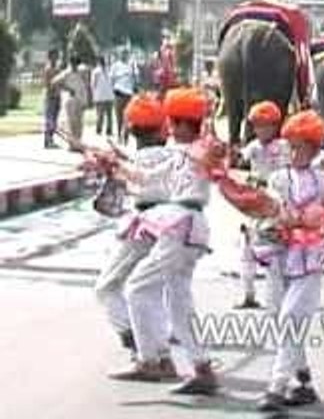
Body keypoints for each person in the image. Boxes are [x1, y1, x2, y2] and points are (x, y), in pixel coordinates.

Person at [115, 87, 219, 395]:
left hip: (181, 225)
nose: (169, 128)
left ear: (186, 125)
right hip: (187, 227)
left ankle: (150, 360)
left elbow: (211, 156)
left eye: (173, 122)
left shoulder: (200, 149)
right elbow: (145, 178)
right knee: (178, 301)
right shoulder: (181, 152)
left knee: (136, 287)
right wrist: (114, 166)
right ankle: (202, 369)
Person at [248, 110, 324, 411]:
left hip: (309, 258)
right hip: (279, 255)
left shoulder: (323, 180)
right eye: (290, 146)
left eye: (300, 147)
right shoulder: (278, 178)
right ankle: (303, 379)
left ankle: (276, 387)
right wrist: (272, 225)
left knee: (291, 320)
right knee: (276, 317)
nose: (293, 153)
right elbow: (265, 211)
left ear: (314, 148)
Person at [93, 93, 176, 377]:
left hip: (141, 226)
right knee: (148, 292)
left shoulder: (134, 161)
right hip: (171, 228)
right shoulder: (173, 156)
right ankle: (161, 356)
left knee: (107, 287)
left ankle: (138, 347)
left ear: (129, 128)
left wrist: (106, 164)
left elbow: (116, 190)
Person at [235, 101, 290, 310]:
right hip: (253, 204)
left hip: (274, 206)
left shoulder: (283, 147)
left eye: (265, 125)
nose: (260, 129)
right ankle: (248, 294)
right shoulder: (253, 146)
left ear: (275, 126)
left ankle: (280, 293)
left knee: (272, 252)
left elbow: (284, 175)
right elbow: (239, 160)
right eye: (256, 125)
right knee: (246, 247)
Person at [53, 55, 89, 145]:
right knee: (72, 122)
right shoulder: (67, 73)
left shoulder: (82, 73)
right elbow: (54, 82)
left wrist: (86, 100)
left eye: (76, 64)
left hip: (80, 100)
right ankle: (72, 142)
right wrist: (68, 89)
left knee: (79, 122)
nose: (74, 66)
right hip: (71, 100)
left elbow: (85, 87)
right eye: (73, 64)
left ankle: (78, 141)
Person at [110, 50, 137, 143]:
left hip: (128, 94)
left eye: (126, 54)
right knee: (119, 117)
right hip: (119, 93)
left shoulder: (131, 66)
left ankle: (126, 136)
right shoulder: (115, 66)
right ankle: (119, 135)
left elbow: (135, 78)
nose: (124, 56)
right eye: (122, 54)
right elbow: (112, 79)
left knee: (128, 116)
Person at [42, 48, 62, 149]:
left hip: (57, 96)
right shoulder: (48, 69)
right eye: (54, 55)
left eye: (57, 55)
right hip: (50, 97)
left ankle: (51, 139)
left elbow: (60, 82)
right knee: (49, 120)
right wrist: (51, 92)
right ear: (50, 57)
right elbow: (46, 84)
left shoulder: (58, 68)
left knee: (54, 120)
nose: (56, 57)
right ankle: (47, 140)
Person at [92, 56, 115, 137]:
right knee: (100, 115)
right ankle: (99, 130)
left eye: (103, 61)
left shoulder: (110, 70)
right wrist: (94, 95)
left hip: (109, 95)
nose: (103, 62)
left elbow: (113, 82)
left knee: (109, 115)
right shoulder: (96, 71)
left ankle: (109, 130)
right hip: (100, 96)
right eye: (101, 61)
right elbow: (93, 84)